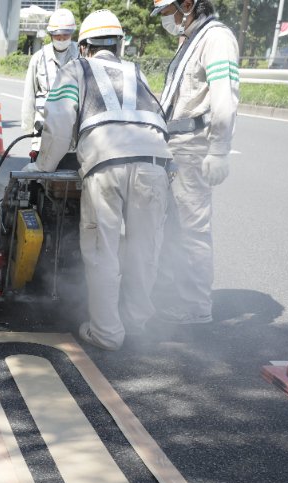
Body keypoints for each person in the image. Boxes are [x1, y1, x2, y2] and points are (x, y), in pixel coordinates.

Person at [23, 9, 173, 350]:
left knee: (102, 248)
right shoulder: (137, 72)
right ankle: (136, 322)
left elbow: (59, 123)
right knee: (144, 247)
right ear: (119, 45)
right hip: (155, 162)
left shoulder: (75, 68)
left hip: (105, 162)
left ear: (83, 47)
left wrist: (43, 166)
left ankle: (106, 331)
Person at [150, 0, 239, 324]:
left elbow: (223, 101)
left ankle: (196, 306)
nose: (165, 20)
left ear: (187, 4)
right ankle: (177, 297)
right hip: (175, 147)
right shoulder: (193, 39)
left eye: (167, 12)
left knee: (192, 229)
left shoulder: (215, 38)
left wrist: (219, 150)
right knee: (173, 227)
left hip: (193, 148)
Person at [20, 8, 79, 153]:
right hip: (44, 129)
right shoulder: (39, 58)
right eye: (58, 36)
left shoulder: (80, 56)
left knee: (69, 171)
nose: (61, 39)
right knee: (40, 172)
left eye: (66, 35)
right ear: (51, 35)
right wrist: (29, 129)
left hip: (73, 132)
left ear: (72, 34)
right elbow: (29, 95)